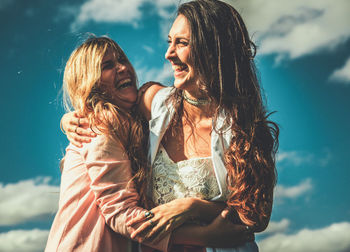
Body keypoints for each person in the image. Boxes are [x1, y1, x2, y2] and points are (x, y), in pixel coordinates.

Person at [61, 0, 279, 251]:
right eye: (169, 42)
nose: (169, 54)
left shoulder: (247, 129)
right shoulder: (152, 101)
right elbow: (104, 108)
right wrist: (68, 120)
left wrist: (191, 207)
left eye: (182, 43)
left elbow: (257, 217)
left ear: (214, 49)